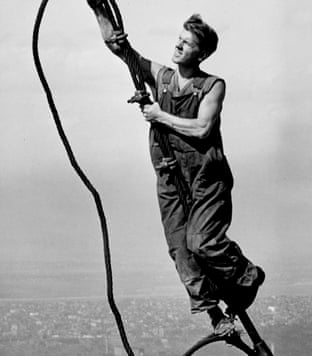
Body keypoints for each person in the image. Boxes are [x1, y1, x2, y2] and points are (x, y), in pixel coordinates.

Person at [87, 1, 265, 336]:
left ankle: (247, 277)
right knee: (180, 250)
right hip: (170, 174)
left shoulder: (212, 86)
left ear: (201, 54)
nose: (179, 44)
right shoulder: (162, 78)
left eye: (188, 43)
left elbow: (202, 129)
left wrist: (158, 116)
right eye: (179, 38)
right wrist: (97, 8)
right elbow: (119, 49)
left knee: (202, 242)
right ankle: (216, 317)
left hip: (205, 179)